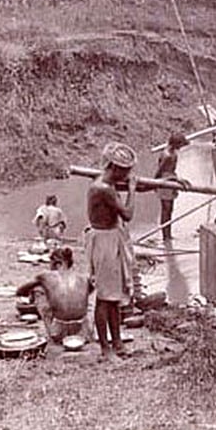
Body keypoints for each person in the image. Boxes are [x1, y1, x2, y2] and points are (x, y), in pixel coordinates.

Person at [84, 141, 138, 358]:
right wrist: (132, 190)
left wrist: (167, 181)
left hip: (110, 238)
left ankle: (118, 343)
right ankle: (105, 348)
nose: (126, 176)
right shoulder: (103, 188)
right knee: (105, 298)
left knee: (114, 296)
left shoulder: (108, 182)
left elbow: (142, 184)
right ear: (114, 169)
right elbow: (127, 214)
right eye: (124, 172)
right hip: (104, 241)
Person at [15, 247, 93, 344]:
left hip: (58, 331)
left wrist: (41, 287)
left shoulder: (45, 276)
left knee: (38, 291)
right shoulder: (83, 278)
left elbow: (20, 292)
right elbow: (89, 291)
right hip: (83, 331)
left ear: (56, 262)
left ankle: (53, 331)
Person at [154, 132, 191, 243]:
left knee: (170, 210)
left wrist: (178, 179)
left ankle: (168, 235)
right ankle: (165, 237)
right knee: (166, 210)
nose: (181, 148)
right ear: (176, 144)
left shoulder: (173, 153)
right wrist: (154, 184)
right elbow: (160, 172)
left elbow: (171, 171)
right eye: (180, 145)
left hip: (171, 180)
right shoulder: (167, 155)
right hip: (165, 182)